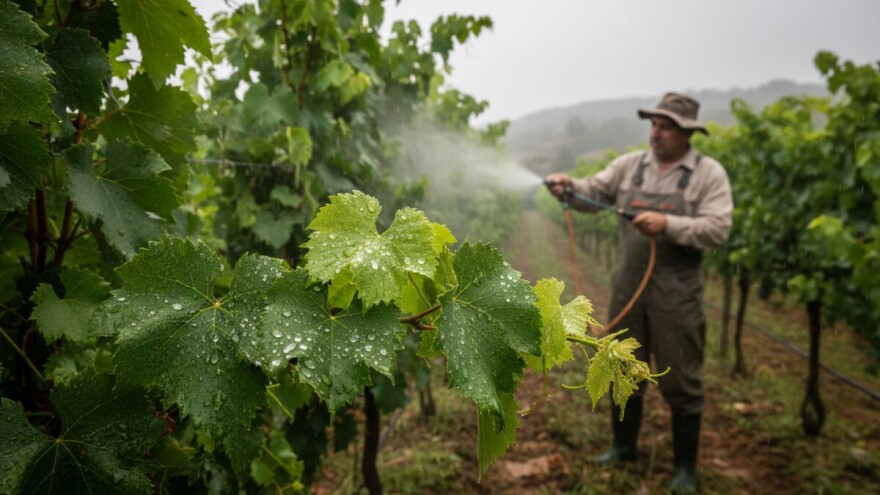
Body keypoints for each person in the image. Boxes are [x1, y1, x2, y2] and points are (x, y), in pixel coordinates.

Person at [545, 92, 733, 494]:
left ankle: (685, 468)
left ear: (686, 133)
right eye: (654, 124)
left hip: (677, 292)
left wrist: (668, 224)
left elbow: (717, 228)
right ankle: (623, 446)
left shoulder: (707, 174)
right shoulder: (631, 167)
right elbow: (594, 189)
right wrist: (569, 187)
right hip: (628, 285)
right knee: (621, 367)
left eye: (666, 127)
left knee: (681, 378)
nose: (656, 133)